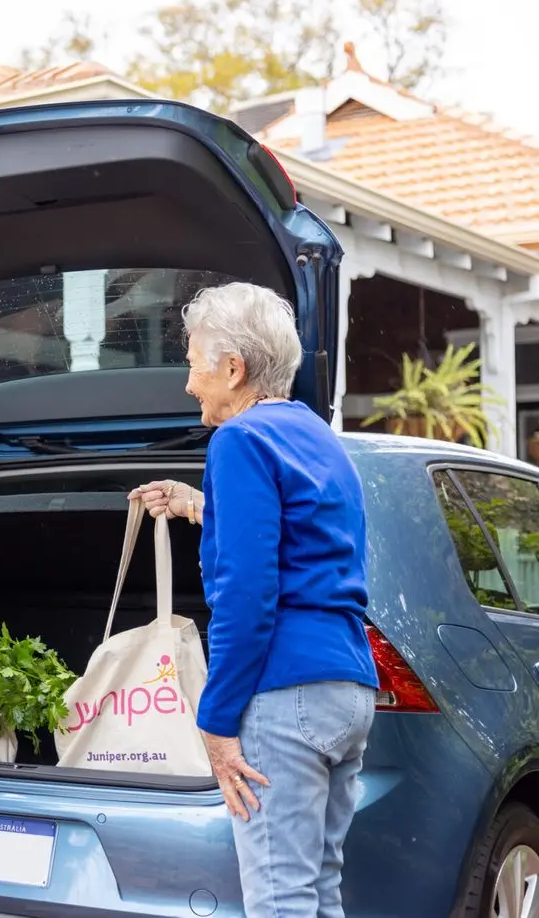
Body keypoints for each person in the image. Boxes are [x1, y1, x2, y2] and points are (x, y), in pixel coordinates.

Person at [130, 282, 378, 918]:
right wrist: (198, 507)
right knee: (317, 892)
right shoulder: (322, 441)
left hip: (284, 693)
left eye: (193, 364)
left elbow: (247, 595)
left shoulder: (238, 441)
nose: (189, 385)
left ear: (233, 368)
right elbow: (300, 546)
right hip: (346, 691)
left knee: (278, 901)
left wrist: (215, 721)